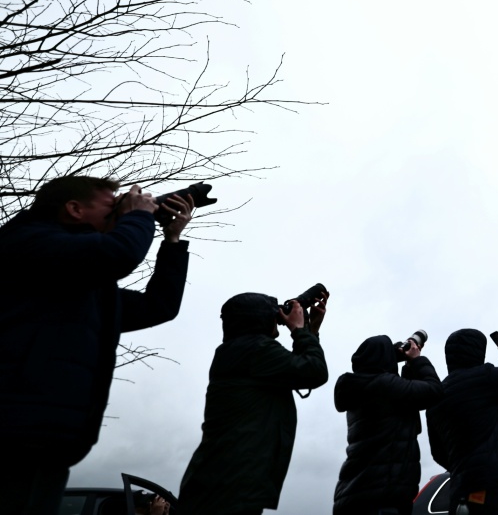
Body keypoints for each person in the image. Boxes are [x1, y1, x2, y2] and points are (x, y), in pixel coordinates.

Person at [0, 176, 193, 515]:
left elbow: (158, 306)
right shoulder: (27, 242)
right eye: (111, 204)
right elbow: (115, 255)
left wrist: (172, 240)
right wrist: (139, 215)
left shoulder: (82, 282)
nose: (120, 209)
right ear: (75, 209)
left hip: (49, 434)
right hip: (15, 426)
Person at [177, 290, 330, 515]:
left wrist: (310, 330)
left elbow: (299, 368)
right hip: (229, 486)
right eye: (272, 314)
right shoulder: (256, 349)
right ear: (260, 319)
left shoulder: (240, 350)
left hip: (221, 482)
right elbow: (314, 371)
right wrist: (299, 330)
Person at [426, 330, 498, 515]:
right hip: (493, 488)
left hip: (460, 491)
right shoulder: (485, 377)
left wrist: (464, 469)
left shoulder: (436, 397)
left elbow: (438, 453)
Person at [332, 333, 444, 515]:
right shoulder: (384, 384)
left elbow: (407, 401)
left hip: (358, 494)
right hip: (381, 500)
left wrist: (407, 365)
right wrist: (417, 360)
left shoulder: (364, 387)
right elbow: (434, 391)